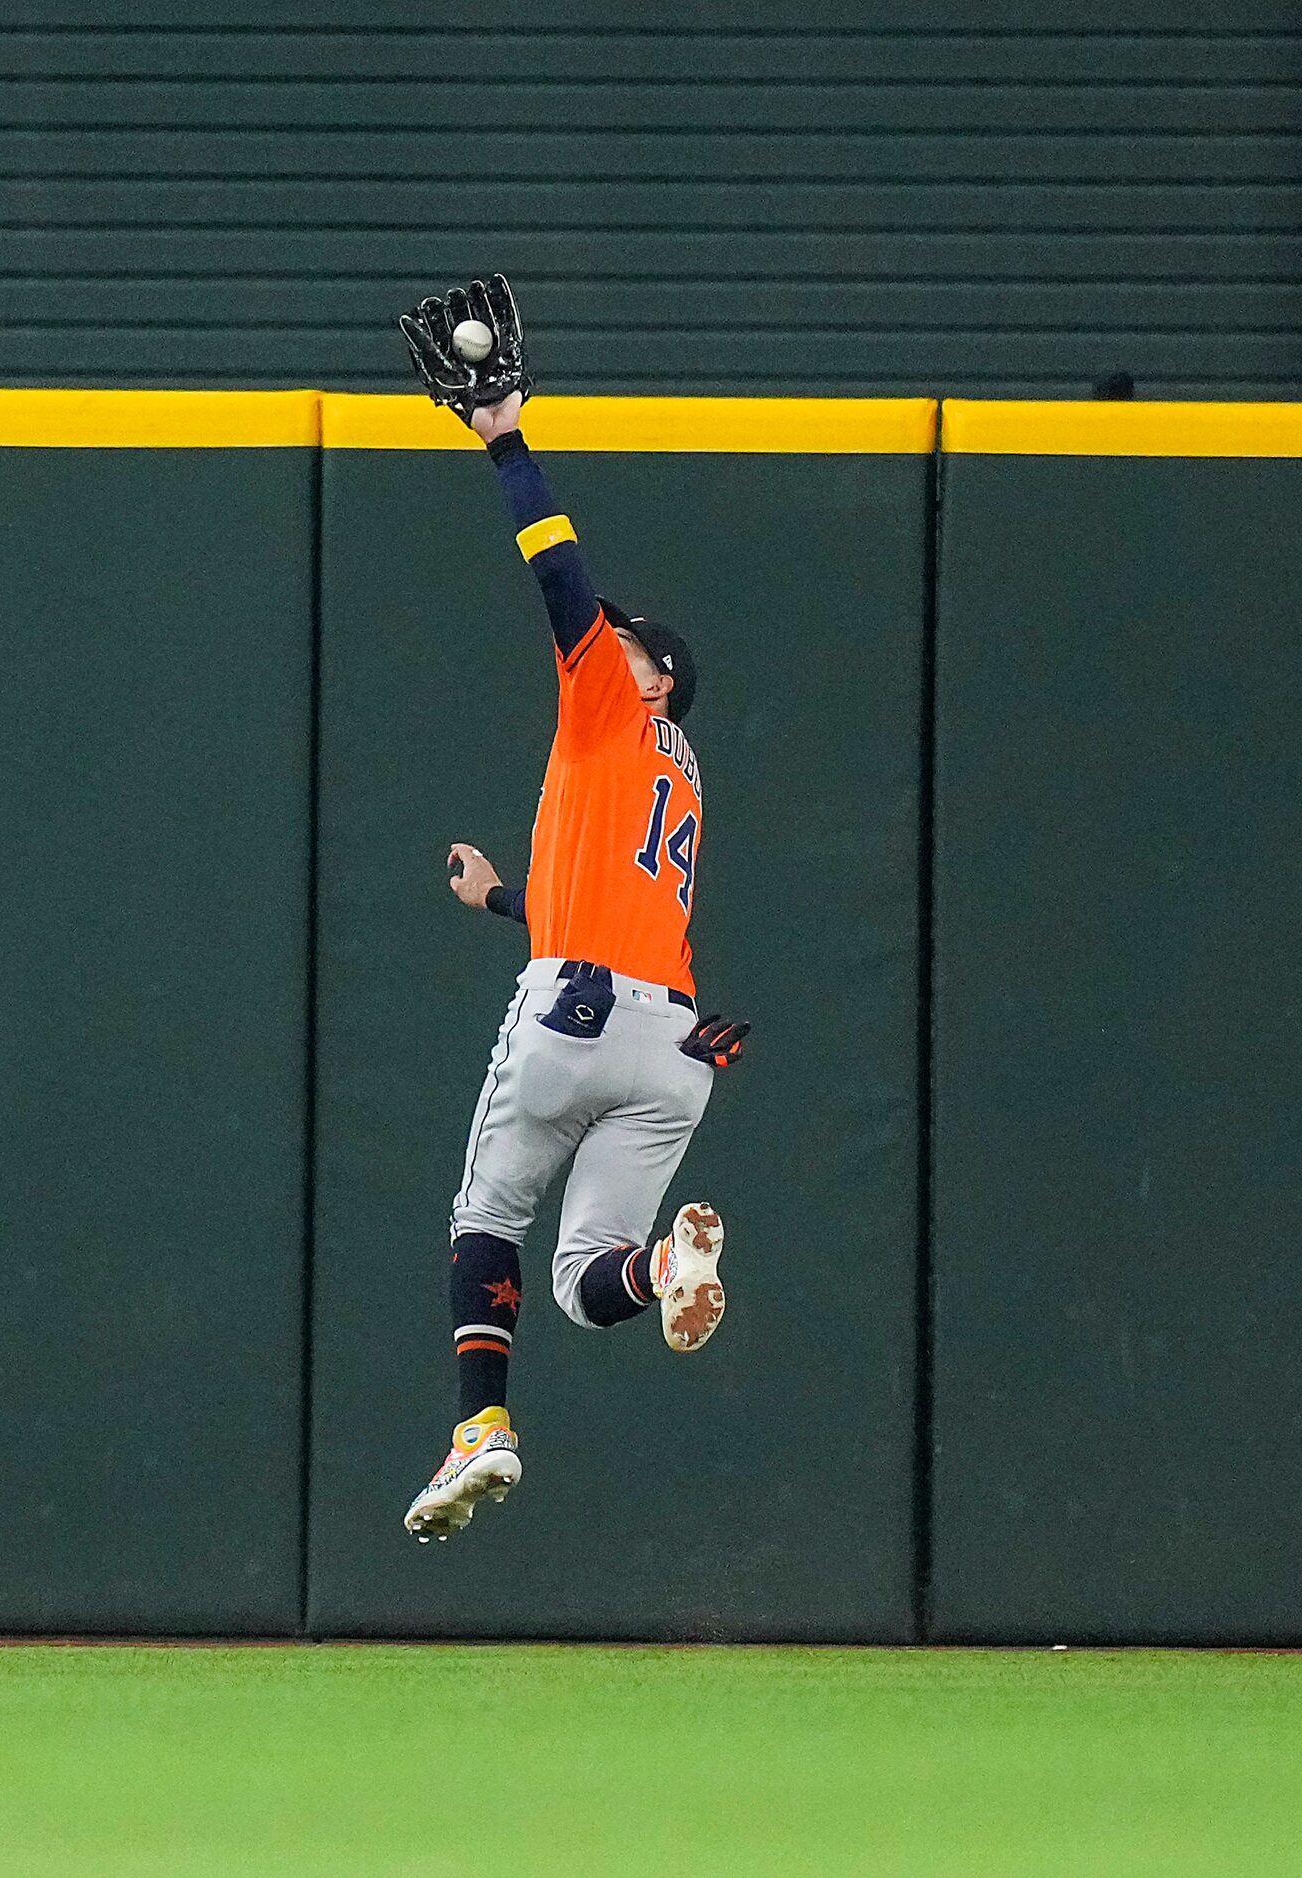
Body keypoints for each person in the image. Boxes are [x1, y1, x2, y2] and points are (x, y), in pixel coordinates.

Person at [396, 276, 752, 1543]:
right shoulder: (674, 776)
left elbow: (558, 574)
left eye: (631, 642)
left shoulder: (615, 703)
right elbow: (593, 898)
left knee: (483, 1220)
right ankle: (666, 1267)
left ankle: (478, 1430)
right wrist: (507, 902)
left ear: (652, 678)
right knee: (583, 1284)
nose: (611, 640)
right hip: (678, 1046)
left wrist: (504, 435)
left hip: (575, 1010)